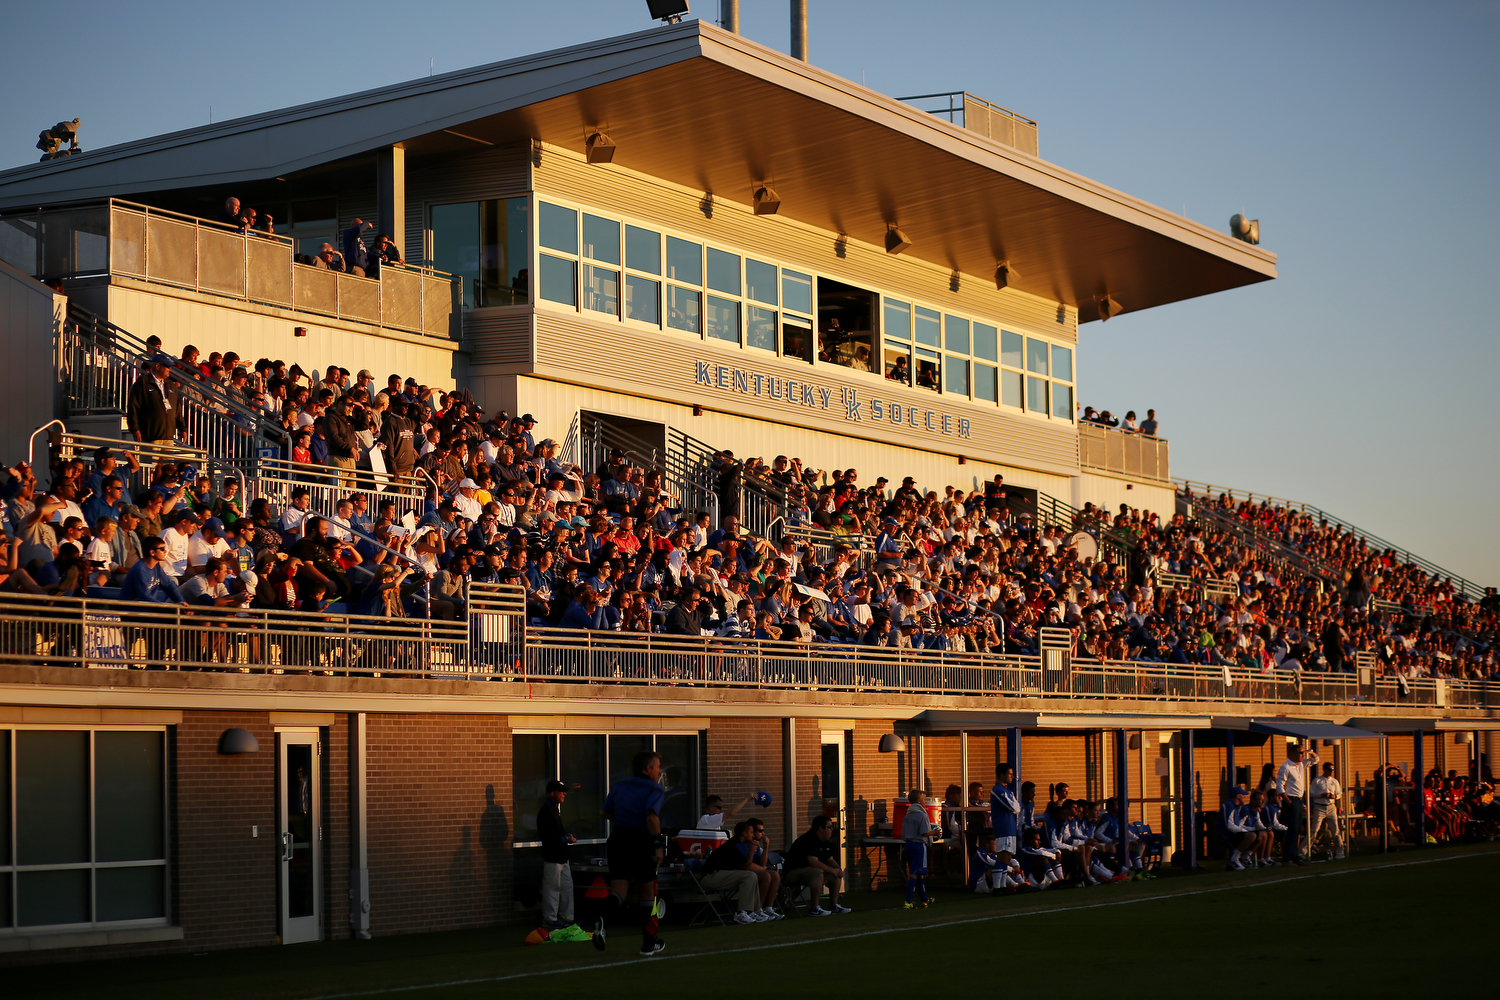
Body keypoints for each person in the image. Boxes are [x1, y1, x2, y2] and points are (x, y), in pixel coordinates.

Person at [598, 749, 667, 957]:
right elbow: (652, 818)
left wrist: (625, 818)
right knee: (647, 895)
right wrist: (658, 845)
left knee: (619, 890)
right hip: (641, 841)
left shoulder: (620, 786)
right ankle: (648, 944)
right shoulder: (655, 789)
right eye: (657, 766)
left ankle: (602, 919)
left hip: (618, 840)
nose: (659, 770)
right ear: (648, 769)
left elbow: (604, 812)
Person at [700, 820, 767, 924]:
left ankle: (754, 911)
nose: (753, 835)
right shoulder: (734, 845)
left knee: (752, 876)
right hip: (711, 877)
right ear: (744, 834)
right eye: (751, 832)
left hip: (721, 875)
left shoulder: (739, 843)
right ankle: (741, 913)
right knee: (749, 876)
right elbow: (746, 866)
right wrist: (751, 850)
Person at [783, 815, 849, 915]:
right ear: (821, 828)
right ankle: (814, 908)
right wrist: (832, 870)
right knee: (818, 872)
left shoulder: (825, 841)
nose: (832, 830)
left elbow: (829, 859)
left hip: (808, 871)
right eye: (829, 827)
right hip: (794, 872)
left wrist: (837, 869)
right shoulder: (810, 839)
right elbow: (814, 862)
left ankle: (834, 905)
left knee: (834, 874)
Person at [536, 779, 578, 929]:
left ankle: (567, 918)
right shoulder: (545, 813)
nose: (564, 794)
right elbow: (548, 838)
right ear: (552, 793)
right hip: (553, 857)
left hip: (562, 857)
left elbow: (554, 834)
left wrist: (566, 837)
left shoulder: (554, 810)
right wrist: (565, 838)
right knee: (552, 889)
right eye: (561, 791)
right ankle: (549, 919)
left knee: (567, 888)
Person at [1275, 742, 1318, 865]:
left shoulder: (1300, 764)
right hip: (1291, 800)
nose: (1302, 755)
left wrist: (1309, 752)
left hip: (1299, 800)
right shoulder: (1286, 767)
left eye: (1303, 753)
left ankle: (1295, 856)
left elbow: (1316, 759)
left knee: (1298, 829)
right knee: (1292, 829)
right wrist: (1288, 801)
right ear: (1292, 753)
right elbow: (1279, 787)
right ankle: (1287, 857)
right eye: (1300, 753)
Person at [901, 788, 936, 909]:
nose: (925, 801)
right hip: (918, 846)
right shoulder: (922, 815)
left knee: (919, 873)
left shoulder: (907, 815)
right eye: (924, 799)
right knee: (914, 874)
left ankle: (924, 899)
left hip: (908, 845)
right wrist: (935, 832)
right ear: (918, 801)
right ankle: (908, 901)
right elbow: (924, 833)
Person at [1310, 761, 1344, 860]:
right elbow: (1311, 793)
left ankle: (1340, 851)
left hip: (1331, 806)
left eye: (1333, 770)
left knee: (1335, 830)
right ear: (1324, 770)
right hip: (1319, 807)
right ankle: (1304, 850)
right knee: (1314, 829)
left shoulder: (1334, 781)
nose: (1331, 772)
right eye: (1330, 769)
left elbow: (1339, 793)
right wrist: (1322, 795)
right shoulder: (1317, 780)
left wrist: (1335, 796)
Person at [990, 762, 1020, 855]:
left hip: (1011, 829)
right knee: (1003, 857)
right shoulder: (997, 790)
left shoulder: (1008, 791)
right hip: (1003, 830)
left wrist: (1015, 807)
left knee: (1008, 859)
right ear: (1002, 774)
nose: (1012, 776)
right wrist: (1015, 807)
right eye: (1010, 774)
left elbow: (1018, 807)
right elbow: (1012, 807)